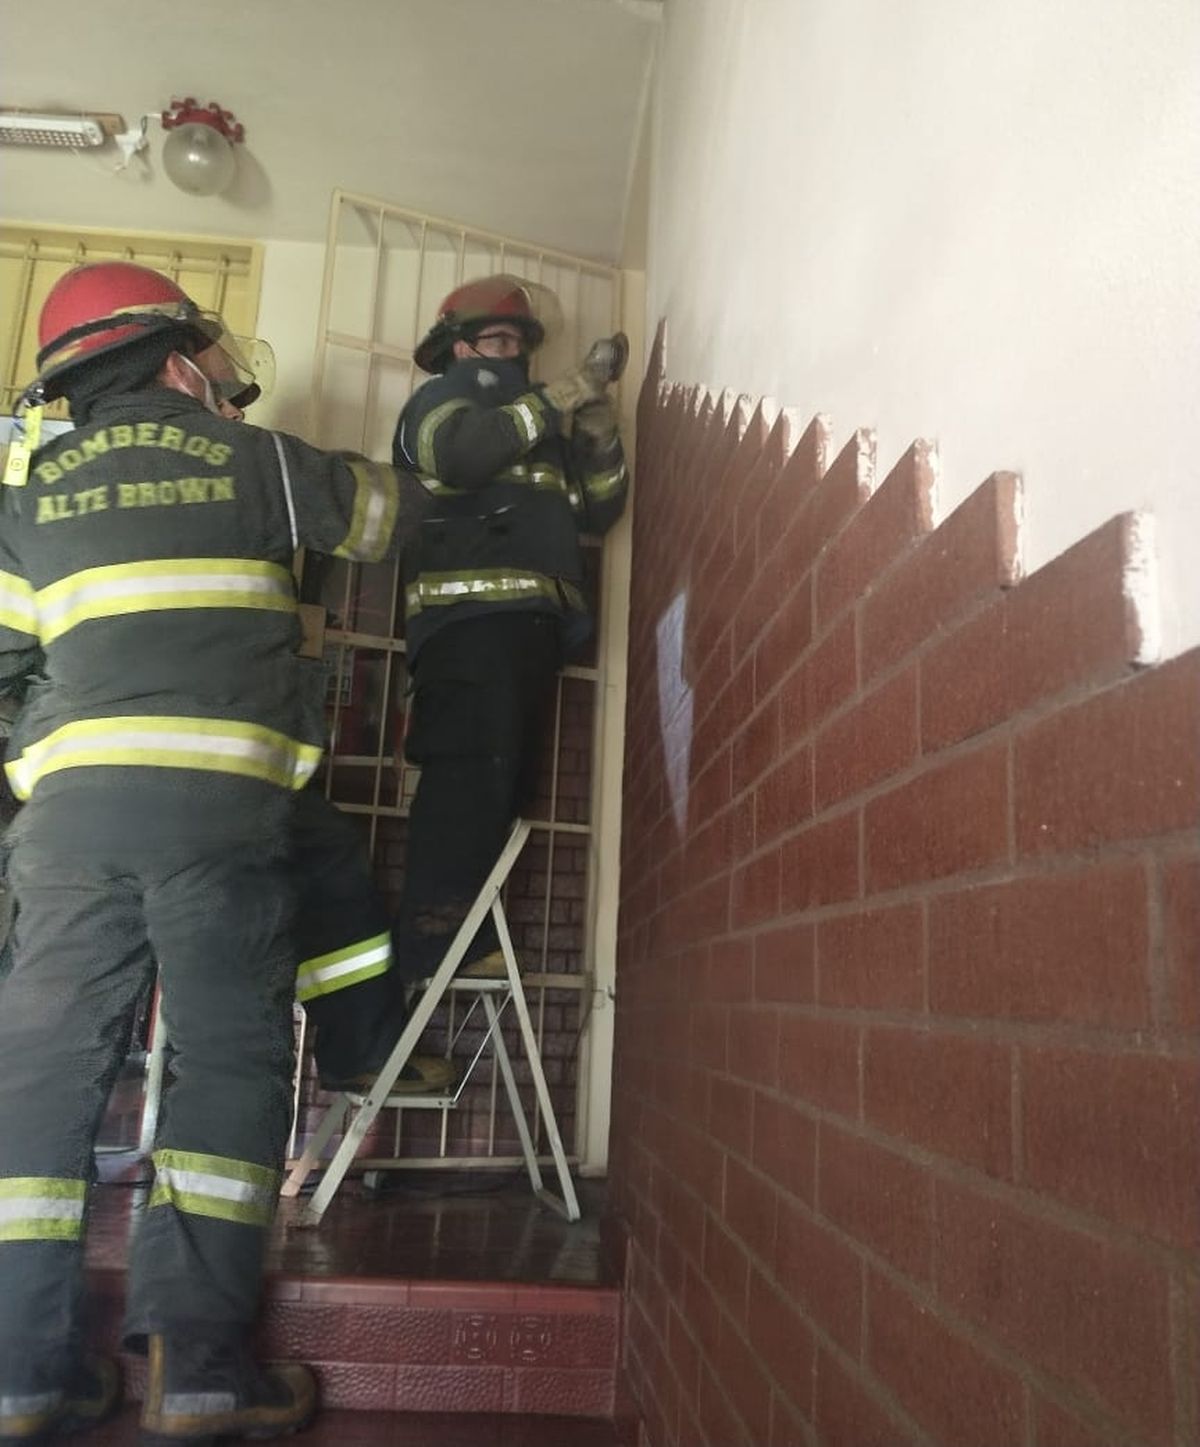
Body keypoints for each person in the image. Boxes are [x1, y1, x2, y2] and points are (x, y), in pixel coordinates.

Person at [0, 260, 435, 1445]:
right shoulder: (255, 460)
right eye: (215, 368)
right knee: (228, 1066)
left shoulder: (22, 504)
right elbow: (394, 517)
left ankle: (22, 1375)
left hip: (69, 830)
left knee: (36, 1083)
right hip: (223, 821)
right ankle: (194, 1370)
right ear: (180, 358)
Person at [390, 274, 629, 982]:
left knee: (499, 782)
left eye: (521, 344)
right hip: (467, 625)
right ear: (458, 346)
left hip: (527, 627)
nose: (514, 354)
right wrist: (558, 396)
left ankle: (460, 935)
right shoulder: (438, 402)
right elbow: (461, 454)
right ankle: (436, 941)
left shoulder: (536, 426)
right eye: (499, 340)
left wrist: (596, 434)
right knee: (467, 776)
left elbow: (599, 512)